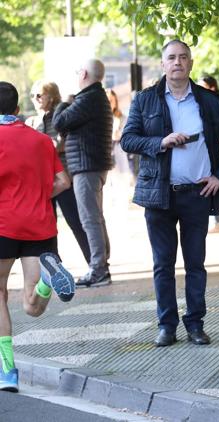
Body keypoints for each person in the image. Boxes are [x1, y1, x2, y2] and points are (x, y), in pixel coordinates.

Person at [120, 40, 219, 347]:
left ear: (191, 63)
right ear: (162, 64)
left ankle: (196, 323)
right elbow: (128, 140)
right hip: (159, 194)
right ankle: (166, 325)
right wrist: (161, 142)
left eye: (183, 58)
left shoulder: (209, 101)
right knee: (163, 264)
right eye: (171, 58)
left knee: (195, 264)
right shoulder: (144, 100)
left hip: (197, 194)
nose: (177, 62)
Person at [0, 81, 76, 392]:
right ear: (17, 110)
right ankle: (47, 279)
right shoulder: (42, 140)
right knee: (32, 305)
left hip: (3, 225)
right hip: (40, 226)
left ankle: (7, 372)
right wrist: (37, 195)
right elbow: (64, 181)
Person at [53, 59, 114, 288]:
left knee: (89, 219)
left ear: (85, 73)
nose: (77, 74)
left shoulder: (88, 98)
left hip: (86, 166)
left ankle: (98, 269)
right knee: (95, 217)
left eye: (78, 70)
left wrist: (63, 102)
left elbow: (60, 122)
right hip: (92, 165)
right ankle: (101, 266)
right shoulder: (96, 97)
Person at [26, 80, 92, 265]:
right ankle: (54, 267)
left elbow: (62, 144)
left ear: (52, 95)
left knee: (76, 222)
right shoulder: (31, 122)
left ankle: (94, 264)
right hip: (41, 181)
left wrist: (43, 148)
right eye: (32, 95)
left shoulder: (62, 117)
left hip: (64, 178)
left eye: (39, 94)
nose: (35, 99)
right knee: (47, 226)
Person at [199, 75, 219, 233]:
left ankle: (217, 220)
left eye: (204, 86)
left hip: (216, 151)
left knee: (215, 185)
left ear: (212, 88)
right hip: (202, 151)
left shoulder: (218, 105)